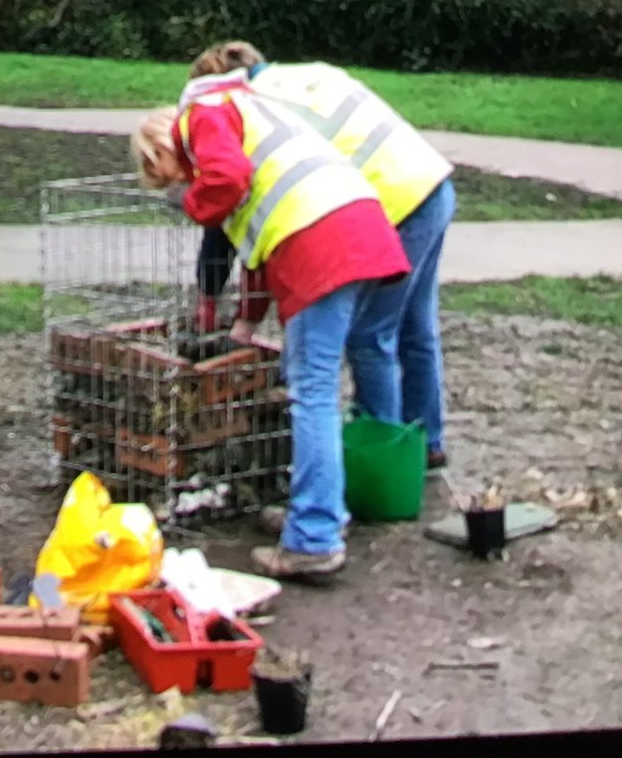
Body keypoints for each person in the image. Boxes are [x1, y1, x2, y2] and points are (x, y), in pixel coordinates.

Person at [130, 71, 410, 581]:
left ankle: (314, 537)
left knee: (313, 392)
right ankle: (319, 510)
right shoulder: (247, 121)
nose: (180, 185)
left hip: (322, 245)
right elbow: (257, 252)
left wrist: (194, 205)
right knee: (317, 384)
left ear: (159, 146)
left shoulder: (204, 116)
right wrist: (244, 325)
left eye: (170, 175)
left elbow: (227, 180)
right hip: (360, 230)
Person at [187, 41, 457, 484]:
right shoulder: (306, 71)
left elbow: (235, 213)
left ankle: (383, 464)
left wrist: (219, 305)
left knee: (371, 336)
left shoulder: (251, 108)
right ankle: (426, 446)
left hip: (395, 204)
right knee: (415, 329)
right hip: (431, 183)